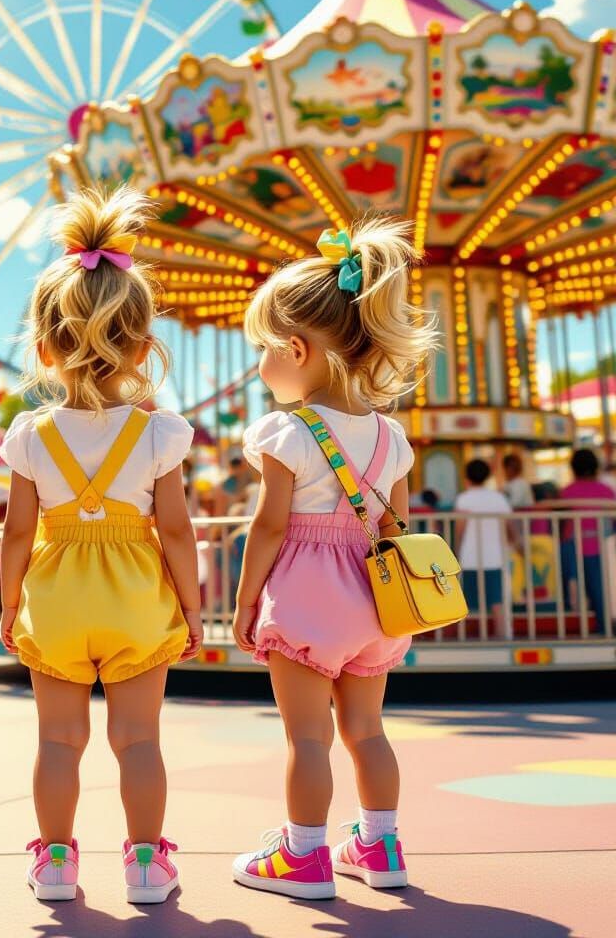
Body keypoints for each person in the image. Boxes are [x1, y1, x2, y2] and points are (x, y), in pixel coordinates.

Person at [0, 184, 202, 905]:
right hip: (136, 593)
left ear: (46, 347)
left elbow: (18, 528)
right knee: (138, 741)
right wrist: (193, 605)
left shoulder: (30, 435)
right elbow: (175, 528)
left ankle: (55, 863)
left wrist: (7, 603)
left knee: (58, 742)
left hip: (54, 593)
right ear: (145, 346)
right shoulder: (158, 432)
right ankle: (146, 864)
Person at [230, 218, 432, 899]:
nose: (260, 364)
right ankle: (380, 846)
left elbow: (268, 526)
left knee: (307, 740)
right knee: (367, 731)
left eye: (263, 350)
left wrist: (246, 599)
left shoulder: (287, 432)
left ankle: (304, 857)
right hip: (376, 603)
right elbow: (396, 522)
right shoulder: (392, 434)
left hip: (309, 598)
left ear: (295, 348)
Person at [454, 459, 514, 639]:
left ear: (467, 477)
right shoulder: (498, 498)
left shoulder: (464, 499)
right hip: (494, 556)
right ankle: (503, 637)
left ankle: (465, 638)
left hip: (470, 556)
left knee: (465, 601)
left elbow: (460, 530)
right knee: (497, 602)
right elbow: (509, 526)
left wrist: (456, 550)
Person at [559, 449, 615, 633]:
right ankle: (604, 627)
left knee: (572, 583)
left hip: (572, 547)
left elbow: (561, 522)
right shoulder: (606, 491)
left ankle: (574, 613)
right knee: (600, 589)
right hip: (600, 546)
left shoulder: (567, 491)